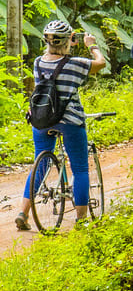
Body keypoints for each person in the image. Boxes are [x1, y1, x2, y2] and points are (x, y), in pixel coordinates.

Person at [15, 20, 107, 230]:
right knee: (80, 168)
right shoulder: (75, 64)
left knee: (41, 163)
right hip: (70, 121)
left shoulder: (38, 62)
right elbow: (101, 63)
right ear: (68, 41)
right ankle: (81, 220)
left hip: (42, 120)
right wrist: (92, 45)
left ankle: (23, 212)